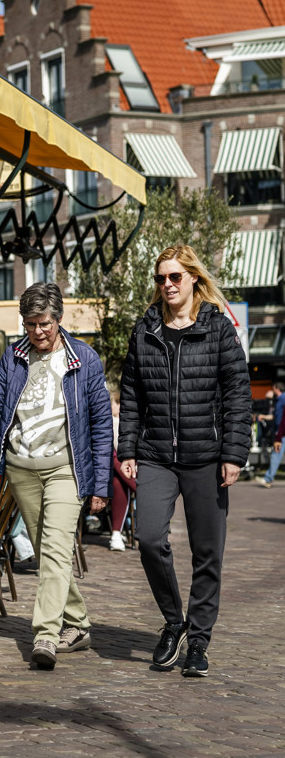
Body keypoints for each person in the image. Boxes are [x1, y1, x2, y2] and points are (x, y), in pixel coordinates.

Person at [119, 245, 250, 678]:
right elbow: (132, 395)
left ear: (194, 278)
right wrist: (128, 450)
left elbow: (237, 396)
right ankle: (174, 622)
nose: (168, 285)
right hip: (156, 454)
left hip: (206, 457)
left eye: (175, 277)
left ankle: (199, 641)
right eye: (161, 278)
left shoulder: (218, 330)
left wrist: (234, 453)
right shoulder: (145, 329)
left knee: (207, 552)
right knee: (150, 538)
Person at [0, 282, 111, 671]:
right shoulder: (13, 359)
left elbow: (101, 426)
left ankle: (45, 635)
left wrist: (100, 485)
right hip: (21, 469)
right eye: (30, 324)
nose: (38, 332)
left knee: (53, 552)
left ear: (59, 318)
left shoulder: (83, 359)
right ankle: (79, 624)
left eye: (44, 323)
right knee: (46, 551)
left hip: (66, 468)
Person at [107, 390, 133, 552]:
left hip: (118, 472)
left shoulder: (124, 423)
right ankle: (141, 488)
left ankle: (116, 534)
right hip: (102, 471)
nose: (118, 407)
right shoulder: (109, 422)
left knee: (119, 482)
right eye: (115, 403)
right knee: (115, 459)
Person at [260, 381, 285, 487]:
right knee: (276, 454)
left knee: (276, 454)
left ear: (276, 389)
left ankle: (268, 478)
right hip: (281, 432)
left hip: (282, 432)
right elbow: (275, 417)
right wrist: (264, 416)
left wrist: (279, 435)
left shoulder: (282, 399)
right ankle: (268, 478)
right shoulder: (278, 401)